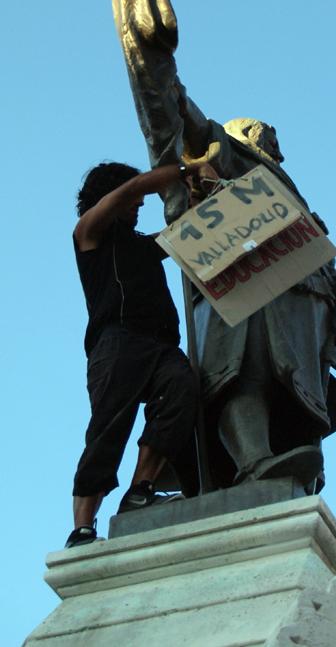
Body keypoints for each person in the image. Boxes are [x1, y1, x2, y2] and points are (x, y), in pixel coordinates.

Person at [111, 0, 336, 494]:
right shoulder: (220, 154)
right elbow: (168, 104)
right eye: (260, 138)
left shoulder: (285, 188)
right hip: (238, 281)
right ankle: (252, 459)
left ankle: (279, 469)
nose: (269, 146)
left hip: (296, 298)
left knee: (291, 385)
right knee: (241, 369)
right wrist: (148, 23)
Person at [66, 161, 198, 548]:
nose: (140, 203)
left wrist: (198, 197)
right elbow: (131, 189)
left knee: (181, 387)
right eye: (134, 197)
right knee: (108, 428)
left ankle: (141, 490)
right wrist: (183, 168)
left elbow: (184, 235)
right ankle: (82, 528)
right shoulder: (88, 233)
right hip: (117, 343)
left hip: (160, 345)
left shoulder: (141, 246)